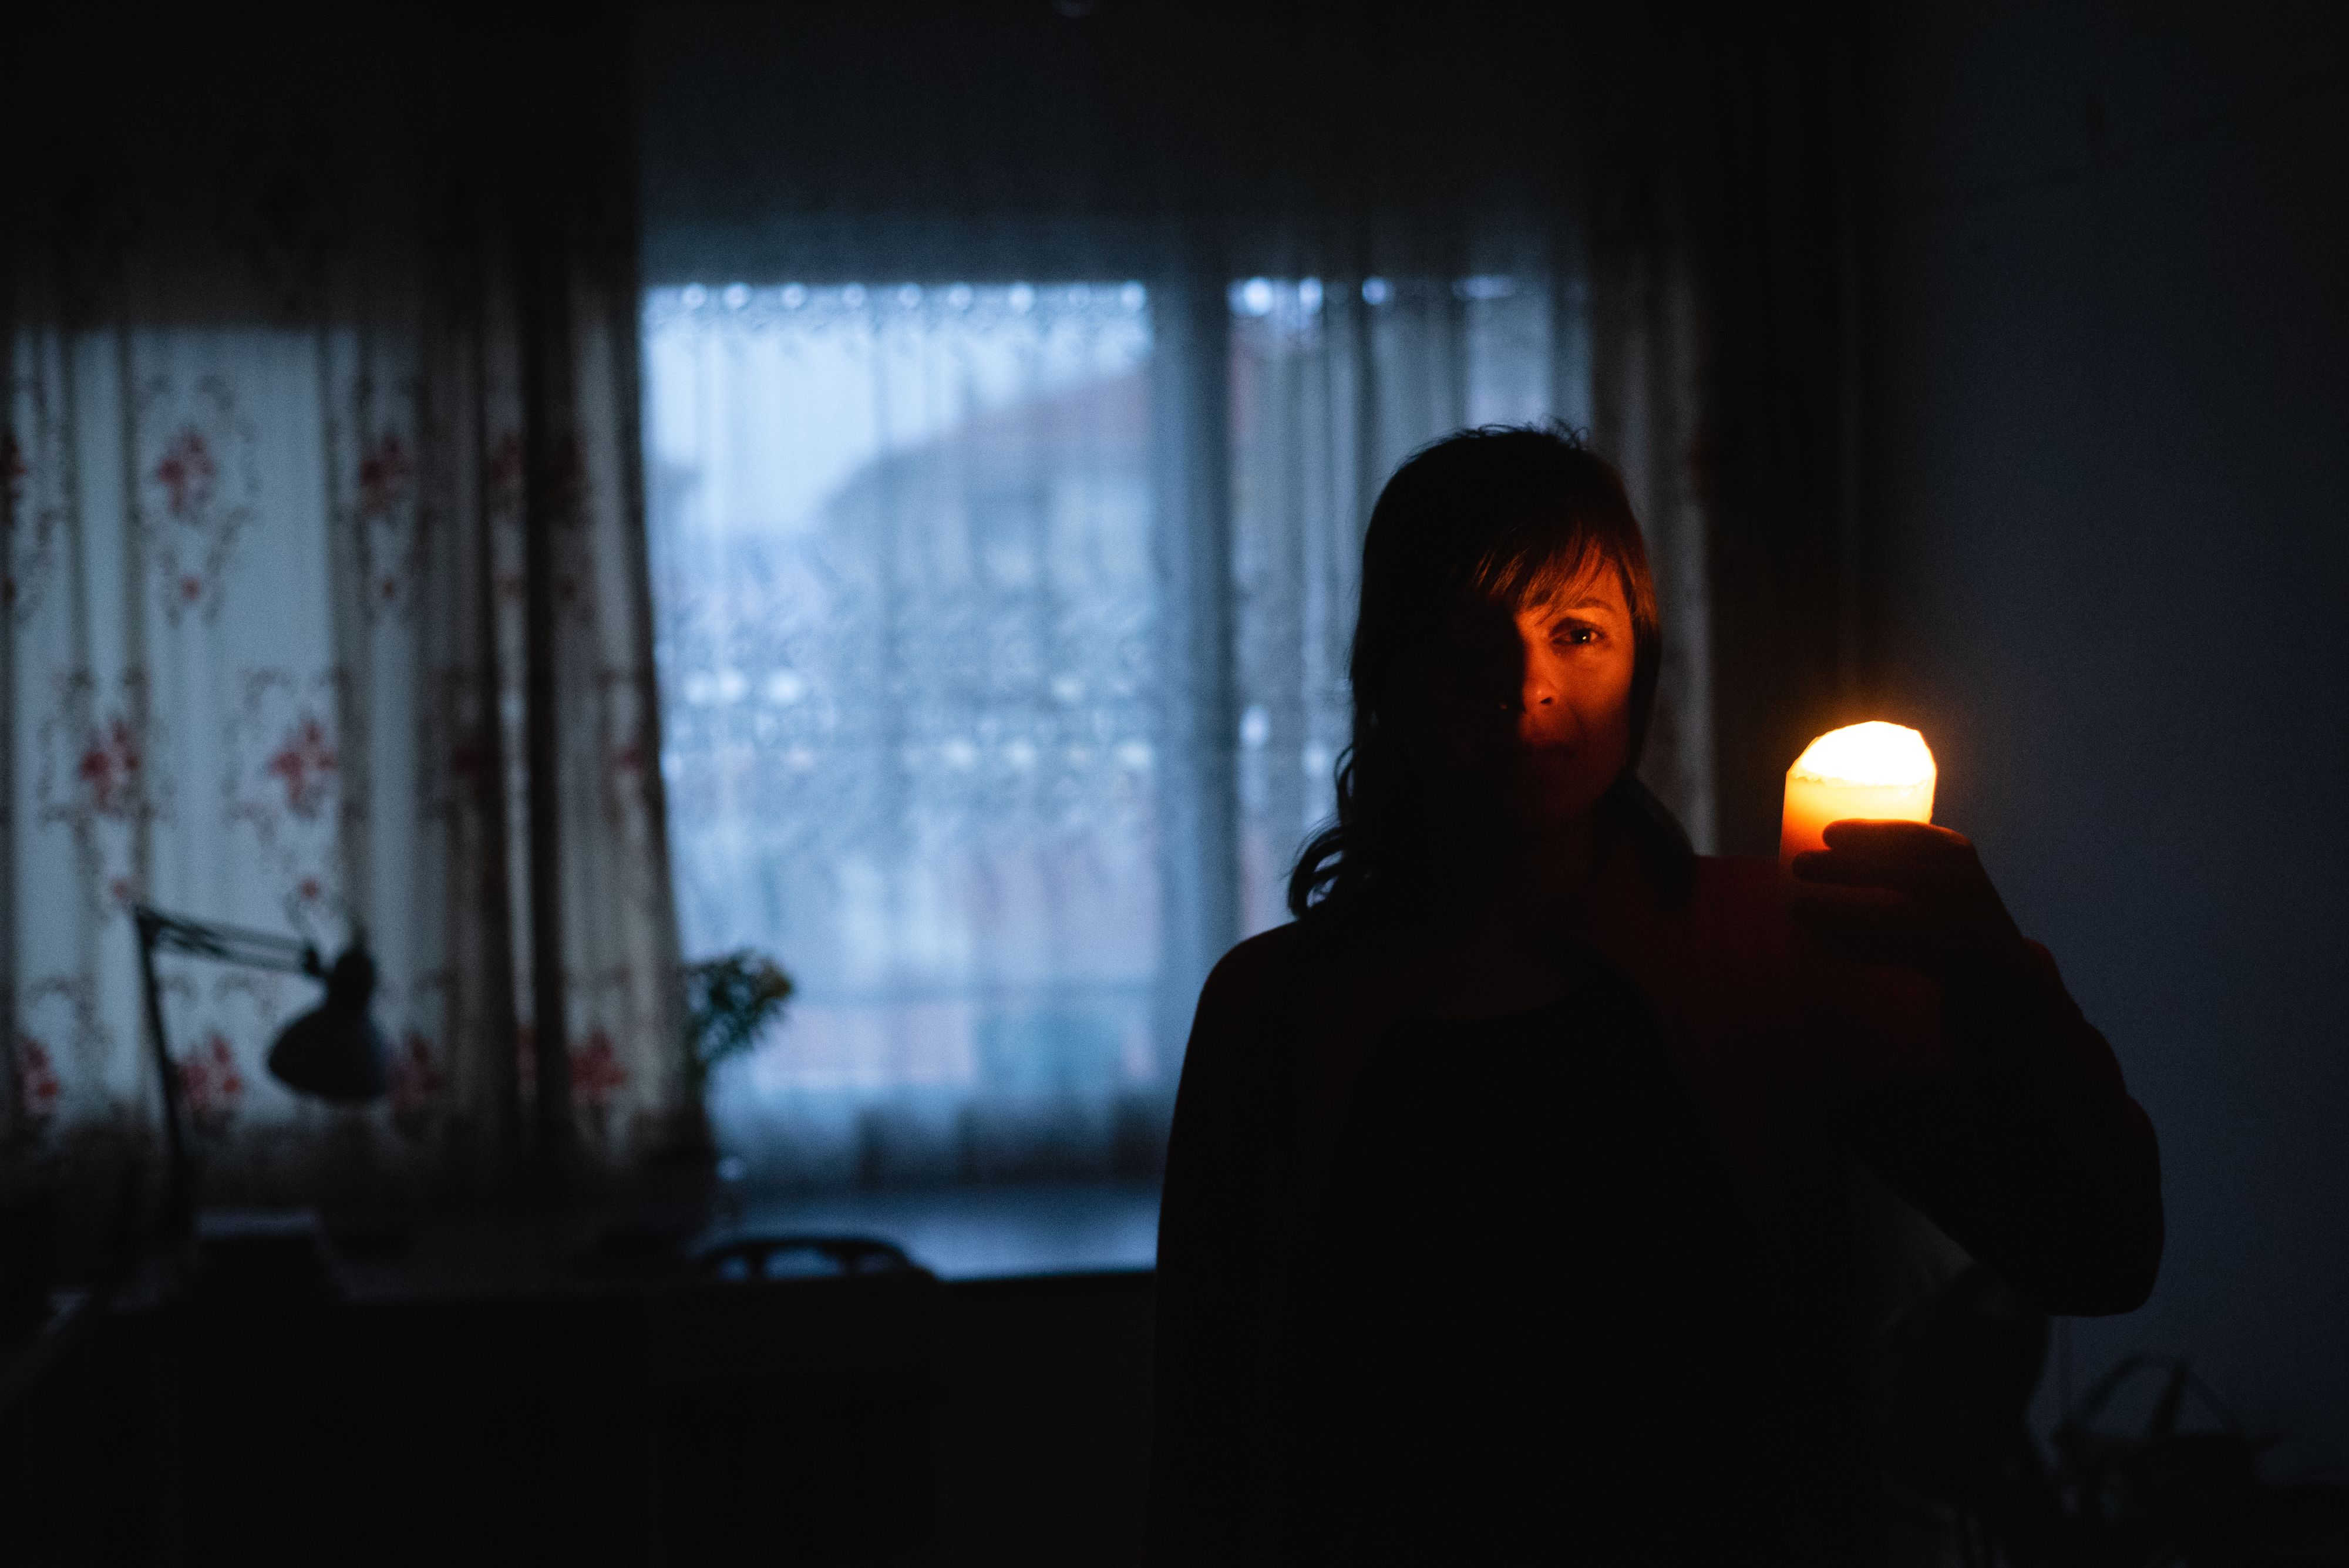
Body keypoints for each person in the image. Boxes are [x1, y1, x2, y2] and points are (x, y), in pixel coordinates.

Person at [1145, 426, 2162, 1564]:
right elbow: (1203, 1430)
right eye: (1464, 641)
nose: (1525, 687)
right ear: (1386, 674)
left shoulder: (1767, 955)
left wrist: (1992, 982)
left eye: (1575, 633)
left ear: (1642, 664)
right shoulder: (1271, 1011)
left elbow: (2099, 1252)